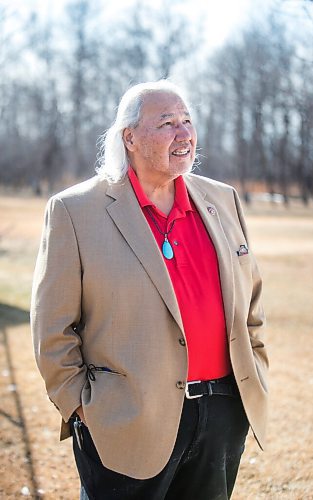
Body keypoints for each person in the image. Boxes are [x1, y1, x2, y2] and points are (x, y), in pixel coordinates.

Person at [31, 80, 268, 500]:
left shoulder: (223, 199)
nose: (184, 134)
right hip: (125, 420)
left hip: (222, 413)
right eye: (167, 123)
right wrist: (83, 406)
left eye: (187, 121)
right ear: (130, 138)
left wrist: (255, 373)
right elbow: (52, 327)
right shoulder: (75, 210)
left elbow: (251, 305)